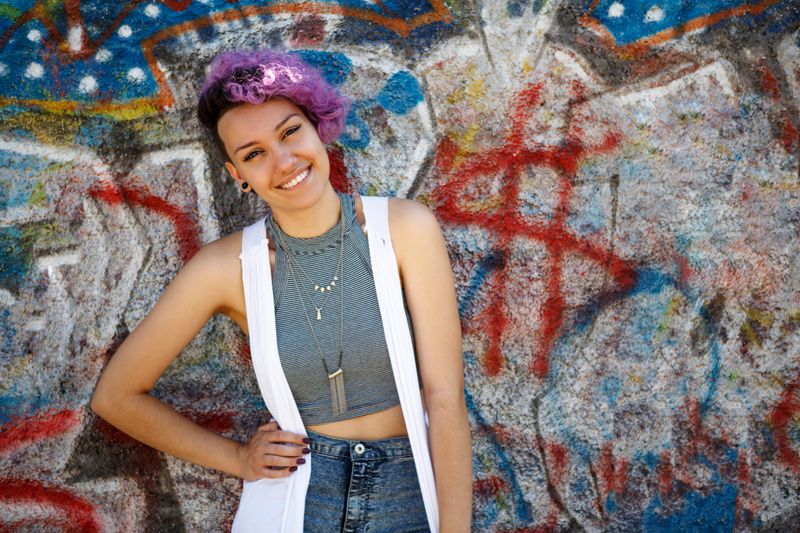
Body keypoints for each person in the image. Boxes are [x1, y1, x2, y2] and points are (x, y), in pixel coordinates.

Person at [91, 49, 472, 532]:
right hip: (298, 499)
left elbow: (444, 399)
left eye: (290, 132)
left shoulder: (405, 229)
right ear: (239, 176)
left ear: (318, 128)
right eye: (254, 154)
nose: (284, 161)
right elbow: (117, 396)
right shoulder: (225, 268)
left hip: (410, 492)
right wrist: (237, 458)